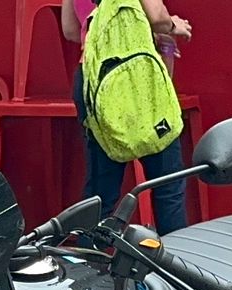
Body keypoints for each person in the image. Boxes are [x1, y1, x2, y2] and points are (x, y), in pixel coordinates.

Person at [61, 0, 193, 233]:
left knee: (100, 194)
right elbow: (157, 17)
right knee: (167, 185)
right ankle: (173, 253)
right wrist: (174, 25)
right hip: (137, 77)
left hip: (94, 78)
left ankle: (88, 254)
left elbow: (71, 29)